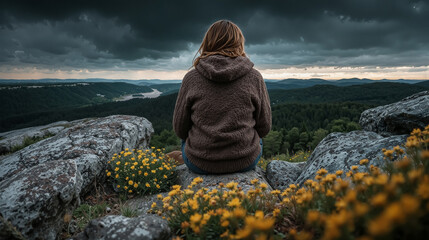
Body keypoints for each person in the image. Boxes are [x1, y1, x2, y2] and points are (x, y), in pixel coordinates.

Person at [172, 19, 271, 174]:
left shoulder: (191, 78)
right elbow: (264, 128)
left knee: (185, 140)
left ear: (208, 43)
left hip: (200, 163)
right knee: (258, 138)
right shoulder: (255, 77)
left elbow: (180, 129)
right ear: (239, 43)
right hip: (244, 162)